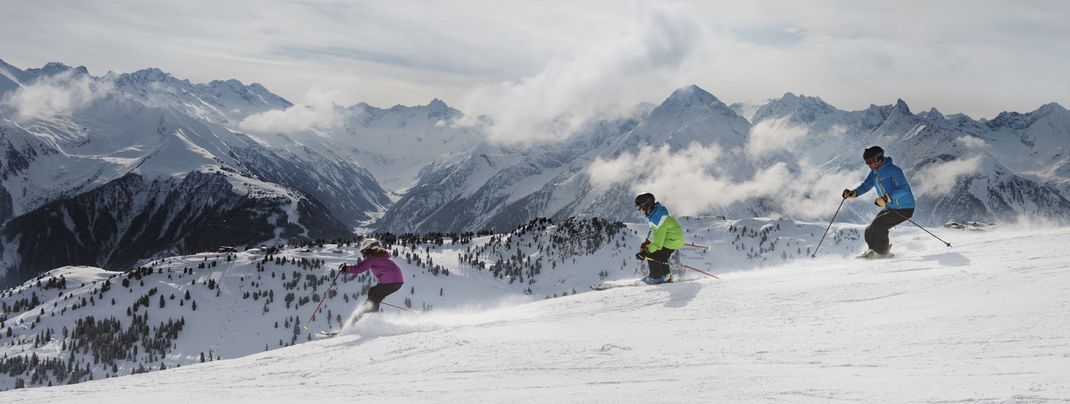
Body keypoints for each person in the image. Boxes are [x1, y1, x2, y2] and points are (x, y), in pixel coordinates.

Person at [842, 146, 916, 258]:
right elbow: (866, 185)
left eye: (870, 161)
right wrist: (854, 193)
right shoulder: (875, 173)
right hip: (891, 207)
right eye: (866, 162)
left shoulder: (893, 170)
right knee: (869, 229)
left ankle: (882, 253)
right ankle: (874, 252)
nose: (868, 165)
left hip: (905, 207)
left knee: (879, 225)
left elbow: (904, 189)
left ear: (878, 159)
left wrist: (886, 198)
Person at [341, 238, 405, 322]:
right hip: (397, 281)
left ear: (367, 249)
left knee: (371, 301)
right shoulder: (381, 255)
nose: (363, 254)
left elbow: (359, 268)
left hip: (389, 282)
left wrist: (346, 269)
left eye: (363, 252)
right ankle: (372, 312)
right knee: (372, 292)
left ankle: (367, 321)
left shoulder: (372, 257)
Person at [634, 193, 685, 284]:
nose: (639, 211)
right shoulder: (655, 213)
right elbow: (655, 232)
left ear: (646, 206)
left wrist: (645, 252)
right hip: (672, 237)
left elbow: (657, 244)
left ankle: (656, 277)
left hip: (672, 240)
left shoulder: (658, 219)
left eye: (639, 208)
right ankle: (666, 276)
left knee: (653, 254)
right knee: (661, 255)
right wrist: (648, 242)